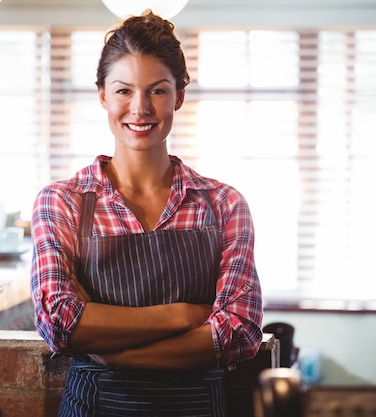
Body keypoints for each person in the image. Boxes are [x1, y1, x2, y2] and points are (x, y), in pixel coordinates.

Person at [30, 10, 263, 417]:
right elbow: (59, 322)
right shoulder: (62, 202)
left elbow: (238, 332)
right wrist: (183, 315)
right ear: (103, 95)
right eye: (123, 91)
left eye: (157, 91)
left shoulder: (224, 204)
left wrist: (107, 345)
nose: (140, 108)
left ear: (179, 96)